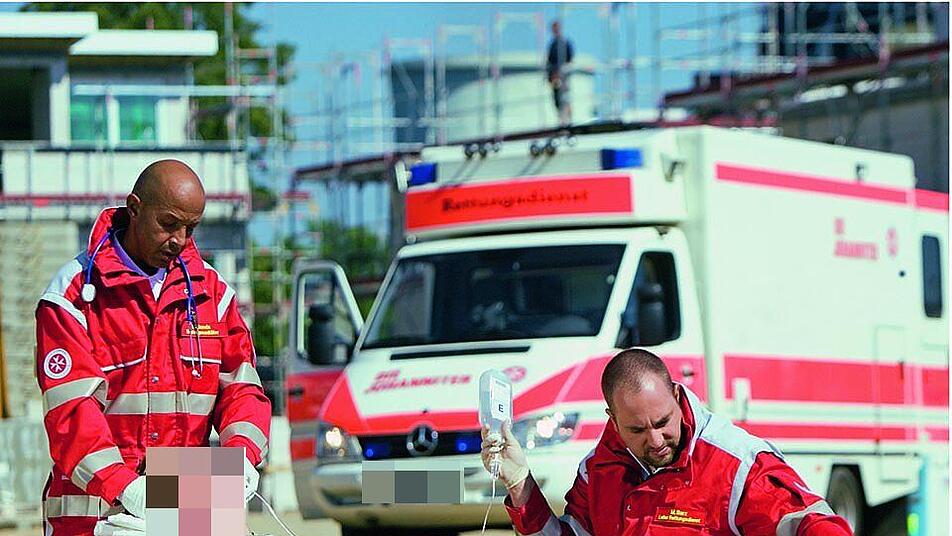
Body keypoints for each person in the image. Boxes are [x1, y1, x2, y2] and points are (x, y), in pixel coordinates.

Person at [35, 160, 271, 535]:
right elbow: (72, 412)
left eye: (190, 228)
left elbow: (242, 389)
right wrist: (124, 487)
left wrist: (240, 455)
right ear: (134, 208)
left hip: (186, 504)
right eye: (169, 223)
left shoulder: (213, 294)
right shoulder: (74, 296)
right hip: (96, 517)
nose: (179, 239)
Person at [481, 348, 853, 535]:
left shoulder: (737, 466)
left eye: (662, 423)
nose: (656, 440)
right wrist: (520, 485)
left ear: (677, 396)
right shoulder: (599, 469)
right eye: (638, 431)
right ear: (613, 419)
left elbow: (812, 523)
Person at [546, 20, 574, 126]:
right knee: (557, 98)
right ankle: (561, 119)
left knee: (565, 97)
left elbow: (570, 59)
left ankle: (568, 119)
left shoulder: (565, 42)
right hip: (554, 77)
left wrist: (562, 72)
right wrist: (551, 75)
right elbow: (549, 61)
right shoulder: (552, 44)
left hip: (563, 76)